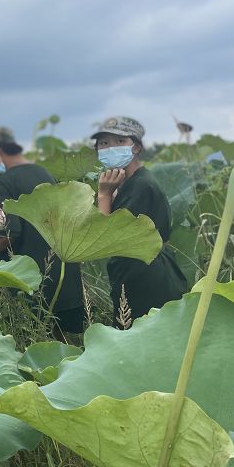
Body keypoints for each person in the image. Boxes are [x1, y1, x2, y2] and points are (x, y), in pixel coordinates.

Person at [0, 127, 85, 334]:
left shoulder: (3, 183)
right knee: (69, 346)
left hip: (34, 284)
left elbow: (10, 233)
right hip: (65, 277)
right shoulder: (44, 173)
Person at [92, 117, 187, 326]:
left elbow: (107, 238)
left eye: (119, 141)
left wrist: (103, 196)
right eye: (104, 143)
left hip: (146, 280)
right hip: (140, 275)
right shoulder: (128, 183)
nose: (110, 148)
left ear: (136, 147)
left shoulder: (140, 187)